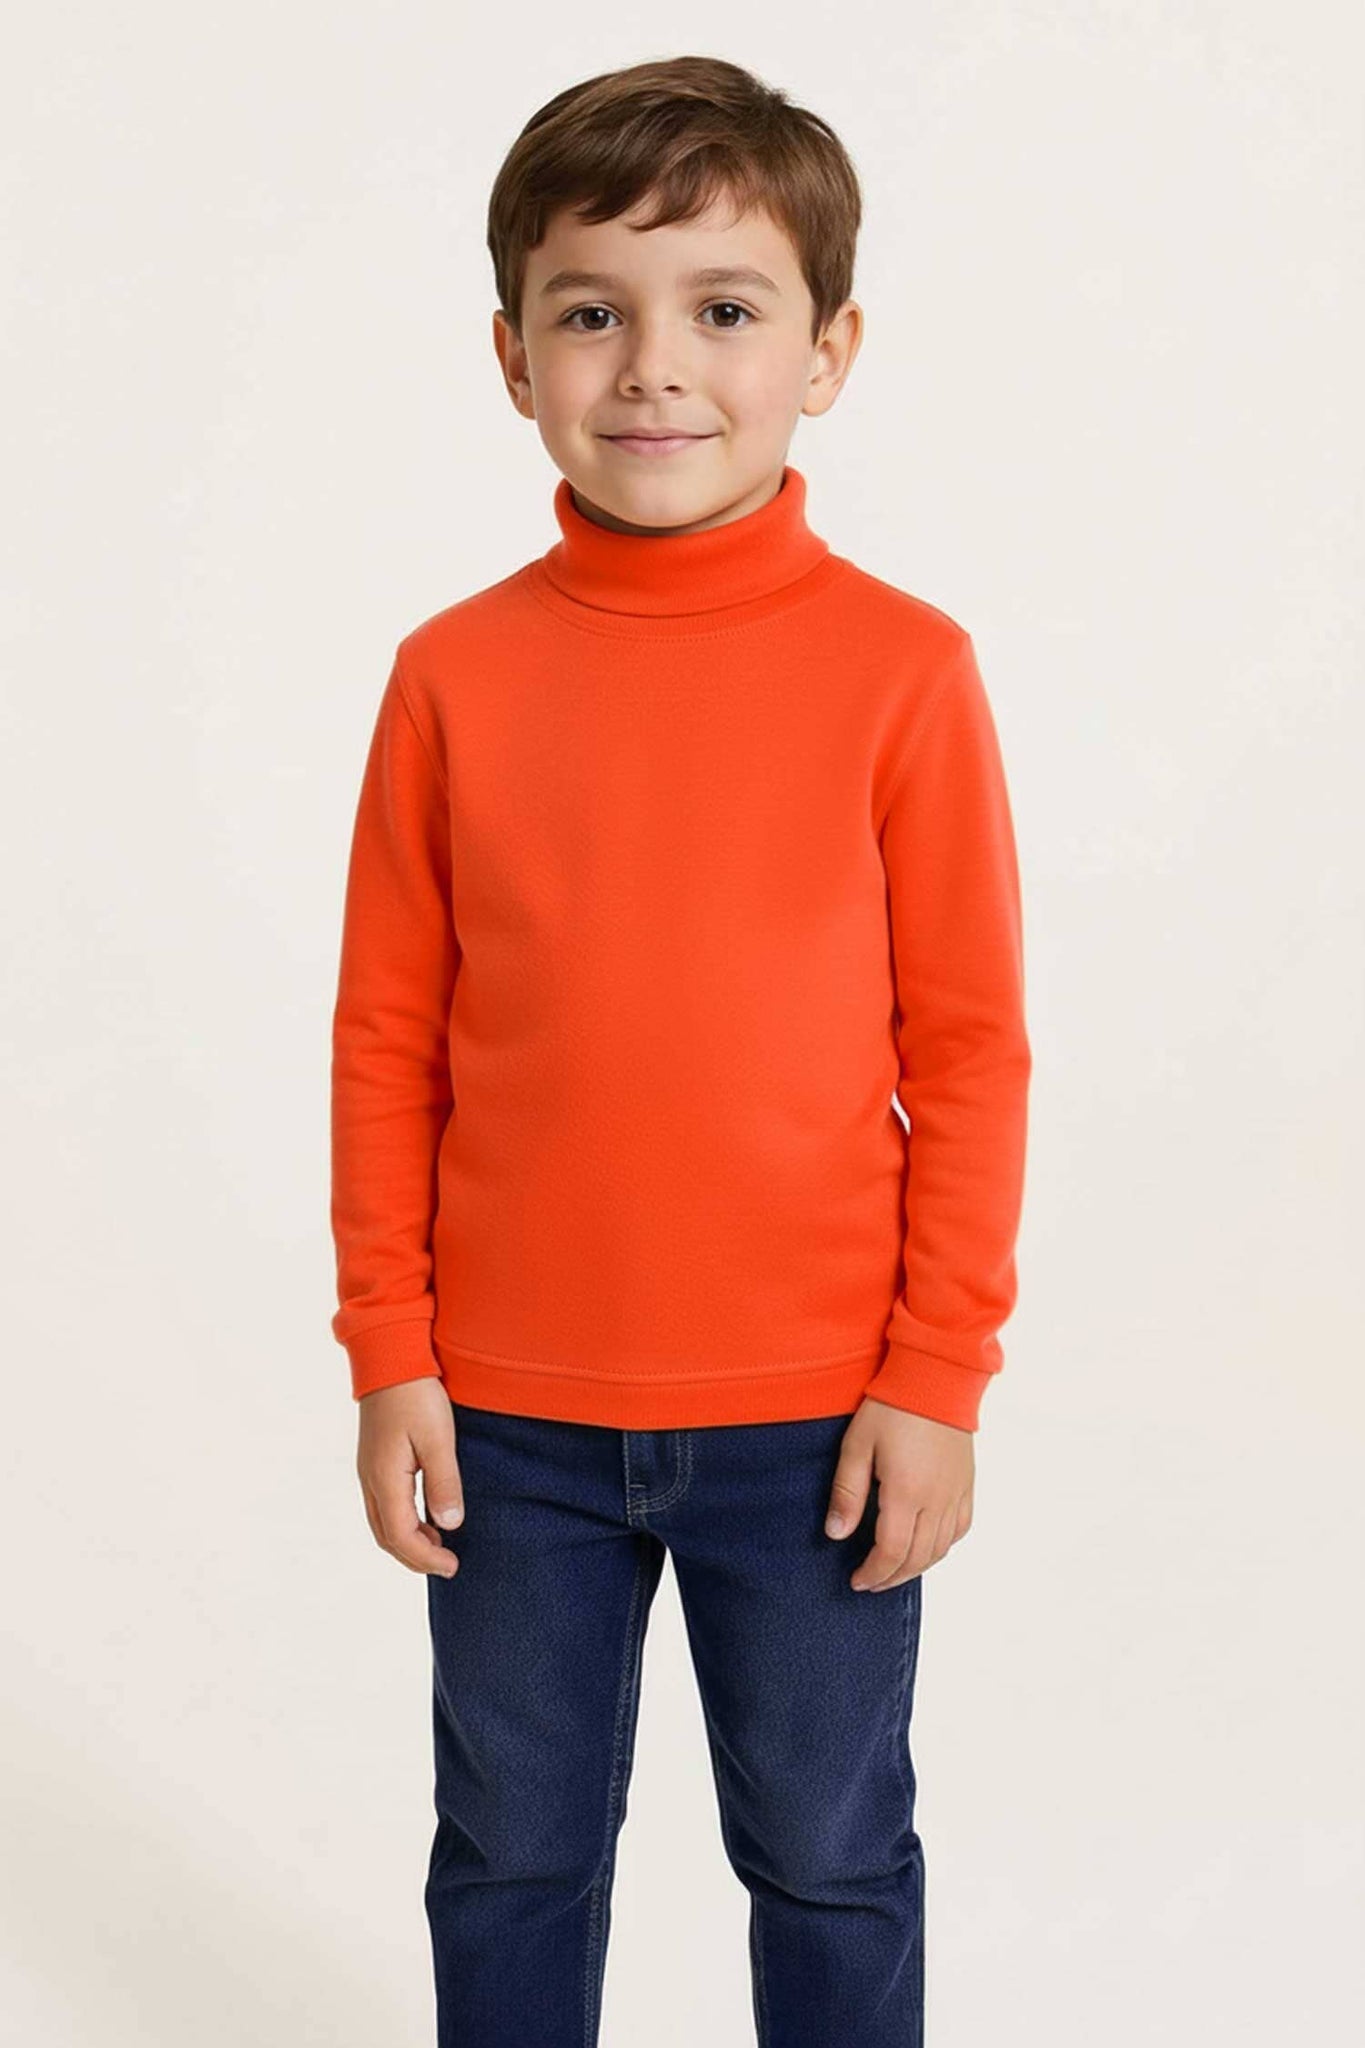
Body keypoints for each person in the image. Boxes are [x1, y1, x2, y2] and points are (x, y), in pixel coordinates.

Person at [329, 52, 1032, 2048]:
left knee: (825, 1852)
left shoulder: (903, 671)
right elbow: (386, 1038)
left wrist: (935, 1376)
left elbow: (969, 1050)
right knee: (510, 1854)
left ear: (826, 352)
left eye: (722, 307)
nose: (652, 366)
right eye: (589, 312)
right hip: (506, 1422)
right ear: (511, 356)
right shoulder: (450, 676)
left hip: (816, 1422)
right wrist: (390, 1350)